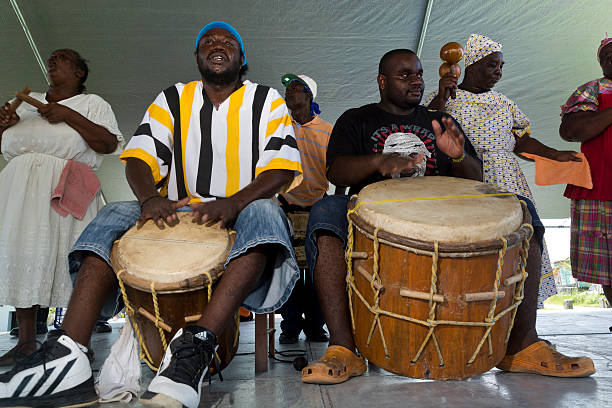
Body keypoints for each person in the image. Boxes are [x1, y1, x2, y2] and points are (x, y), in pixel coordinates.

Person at [0, 21, 302, 408]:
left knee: (265, 211)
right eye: (207, 41)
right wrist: (147, 200)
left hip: (242, 207)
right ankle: (69, 354)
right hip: (175, 207)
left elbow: (281, 167)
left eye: (228, 42)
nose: (217, 44)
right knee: (112, 214)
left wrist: (234, 202)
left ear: (241, 59)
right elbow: (139, 158)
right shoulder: (174, 98)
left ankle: (193, 352)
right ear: (196, 57)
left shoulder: (267, 99)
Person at [301, 49, 595, 385]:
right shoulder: (356, 119)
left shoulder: (439, 121)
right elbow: (337, 171)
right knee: (325, 211)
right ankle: (343, 348)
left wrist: (457, 156)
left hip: (440, 213)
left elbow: (476, 179)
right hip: (369, 217)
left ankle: (522, 345)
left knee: (522, 208)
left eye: (419, 74)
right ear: (382, 81)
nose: (416, 81)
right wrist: (379, 162)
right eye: (405, 75)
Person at [425, 34, 581, 309]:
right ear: (471, 66)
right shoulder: (447, 97)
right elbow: (428, 128)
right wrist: (440, 96)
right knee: (476, 243)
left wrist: (555, 154)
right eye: (492, 65)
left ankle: (521, 317)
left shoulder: (505, 103)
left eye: (501, 66)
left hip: (508, 179)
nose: (499, 72)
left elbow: (522, 142)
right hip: (465, 179)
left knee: (524, 237)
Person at [0, 49, 122, 366]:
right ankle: (26, 341)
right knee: (24, 253)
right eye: (50, 58)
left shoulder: (92, 104)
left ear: (80, 72)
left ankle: (73, 340)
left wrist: (68, 115)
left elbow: (108, 144)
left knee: (70, 257)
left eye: (63, 57)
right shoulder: (26, 104)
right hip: (20, 190)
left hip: (68, 186)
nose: (52, 60)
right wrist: (4, 126)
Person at [560, 35, 612, 324]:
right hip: (601, 187)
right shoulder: (591, 90)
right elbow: (572, 130)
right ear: (600, 61)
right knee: (608, 265)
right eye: (607, 54)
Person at [277, 73, 332, 344]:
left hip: (318, 207)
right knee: (289, 270)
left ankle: (315, 326)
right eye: (287, 88)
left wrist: (333, 205)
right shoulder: (278, 126)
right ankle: (289, 326)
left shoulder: (327, 130)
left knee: (319, 270)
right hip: (285, 206)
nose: (289, 92)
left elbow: (337, 172)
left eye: (296, 88)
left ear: (309, 97)